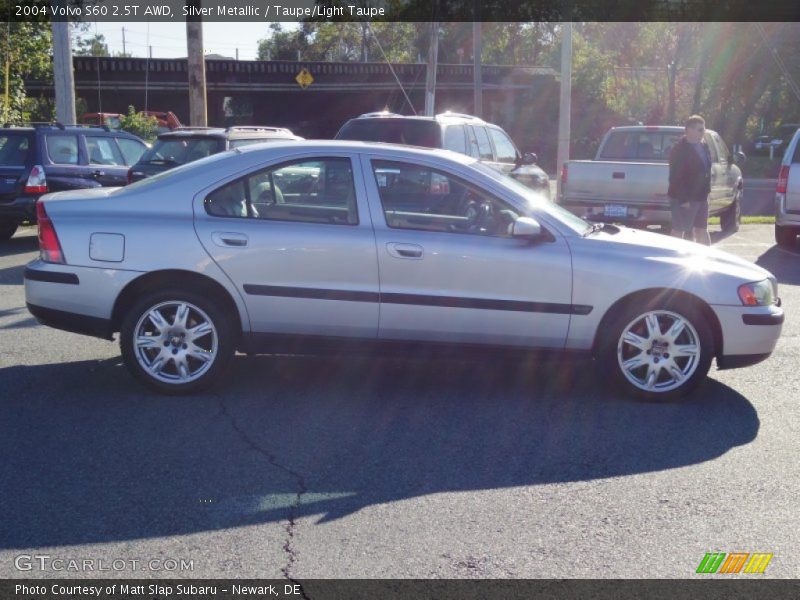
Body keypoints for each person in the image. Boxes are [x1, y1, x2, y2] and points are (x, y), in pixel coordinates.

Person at [668, 115, 712, 245]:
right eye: (700, 130)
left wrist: (707, 194)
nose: (703, 133)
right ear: (689, 130)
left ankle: (707, 259)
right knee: (679, 230)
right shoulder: (679, 149)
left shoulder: (704, 146)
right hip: (684, 198)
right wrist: (683, 200)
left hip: (701, 197)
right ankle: (671, 258)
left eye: (703, 129)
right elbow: (675, 177)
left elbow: (706, 171)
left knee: (701, 230)